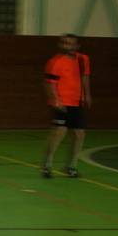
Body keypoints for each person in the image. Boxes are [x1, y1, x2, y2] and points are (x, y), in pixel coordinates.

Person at [41, 34, 91, 179]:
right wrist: (56, 100)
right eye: (65, 43)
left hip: (77, 102)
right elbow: (48, 84)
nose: (68, 46)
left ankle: (71, 166)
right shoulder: (55, 62)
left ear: (77, 46)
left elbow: (85, 77)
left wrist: (87, 94)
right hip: (62, 103)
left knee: (79, 134)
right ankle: (47, 165)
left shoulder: (83, 59)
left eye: (71, 43)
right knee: (59, 133)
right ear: (60, 45)